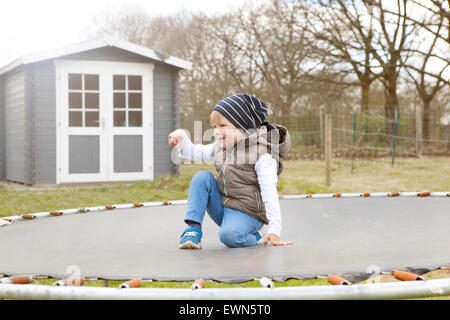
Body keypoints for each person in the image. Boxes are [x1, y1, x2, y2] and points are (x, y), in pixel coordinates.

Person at [168, 93, 294, 249]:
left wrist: (274, 230)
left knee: (229, 236)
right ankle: (193, 229)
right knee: (202, 178)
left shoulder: (262, 155)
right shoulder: (221, 146)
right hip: (224, 206)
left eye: (223, 126)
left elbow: (269, 191)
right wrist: (182, 139)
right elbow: (194, 153)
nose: (217, 132)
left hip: (249, 213)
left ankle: (253, 235)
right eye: (214, 127)